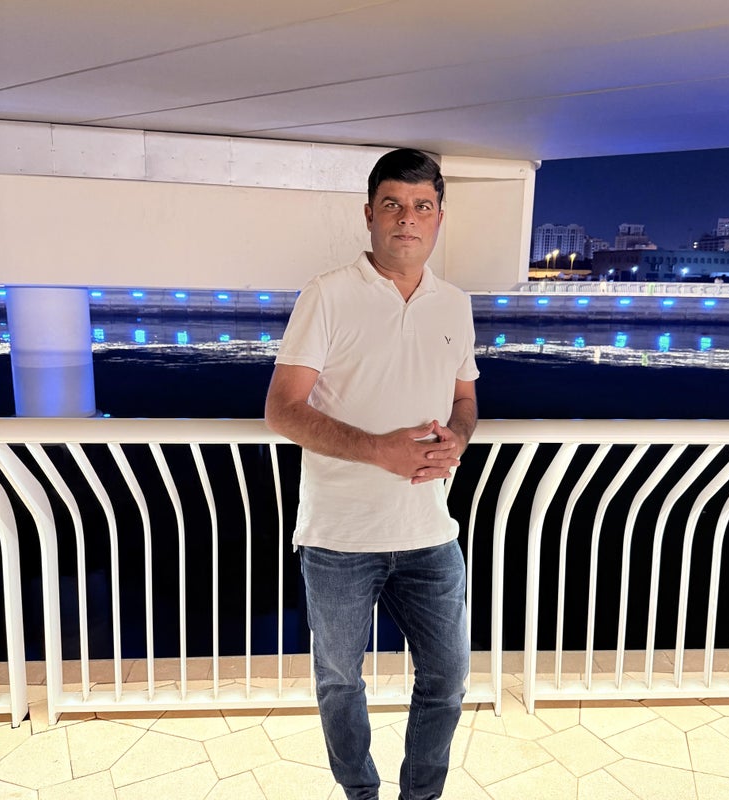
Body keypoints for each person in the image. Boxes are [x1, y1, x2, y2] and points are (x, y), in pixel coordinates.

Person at [264, 147, 479, 800]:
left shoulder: (455, 303)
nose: (407, 218)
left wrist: (459, 437)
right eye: (392, 204)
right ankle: (360, 793)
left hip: (429, 532)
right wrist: (377, 451)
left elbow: (465, 399)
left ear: (439, 216)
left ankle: (421, 795)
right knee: (339, 681)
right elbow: (283, 409)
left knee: (447, 678)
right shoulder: (327, 295)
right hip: (339, 537)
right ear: (369, 215)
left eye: (421, 206)